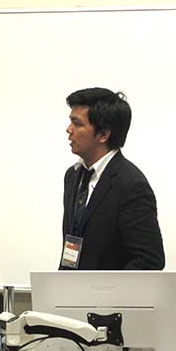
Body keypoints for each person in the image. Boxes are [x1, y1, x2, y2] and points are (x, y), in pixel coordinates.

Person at [60, 87, 165, 270]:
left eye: (77, 124)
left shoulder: (131, 185)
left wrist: (104, 288)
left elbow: (149, 261)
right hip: (72, 287)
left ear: (103, 135)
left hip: (108, 289)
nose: (69, 130)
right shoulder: (73, 176)